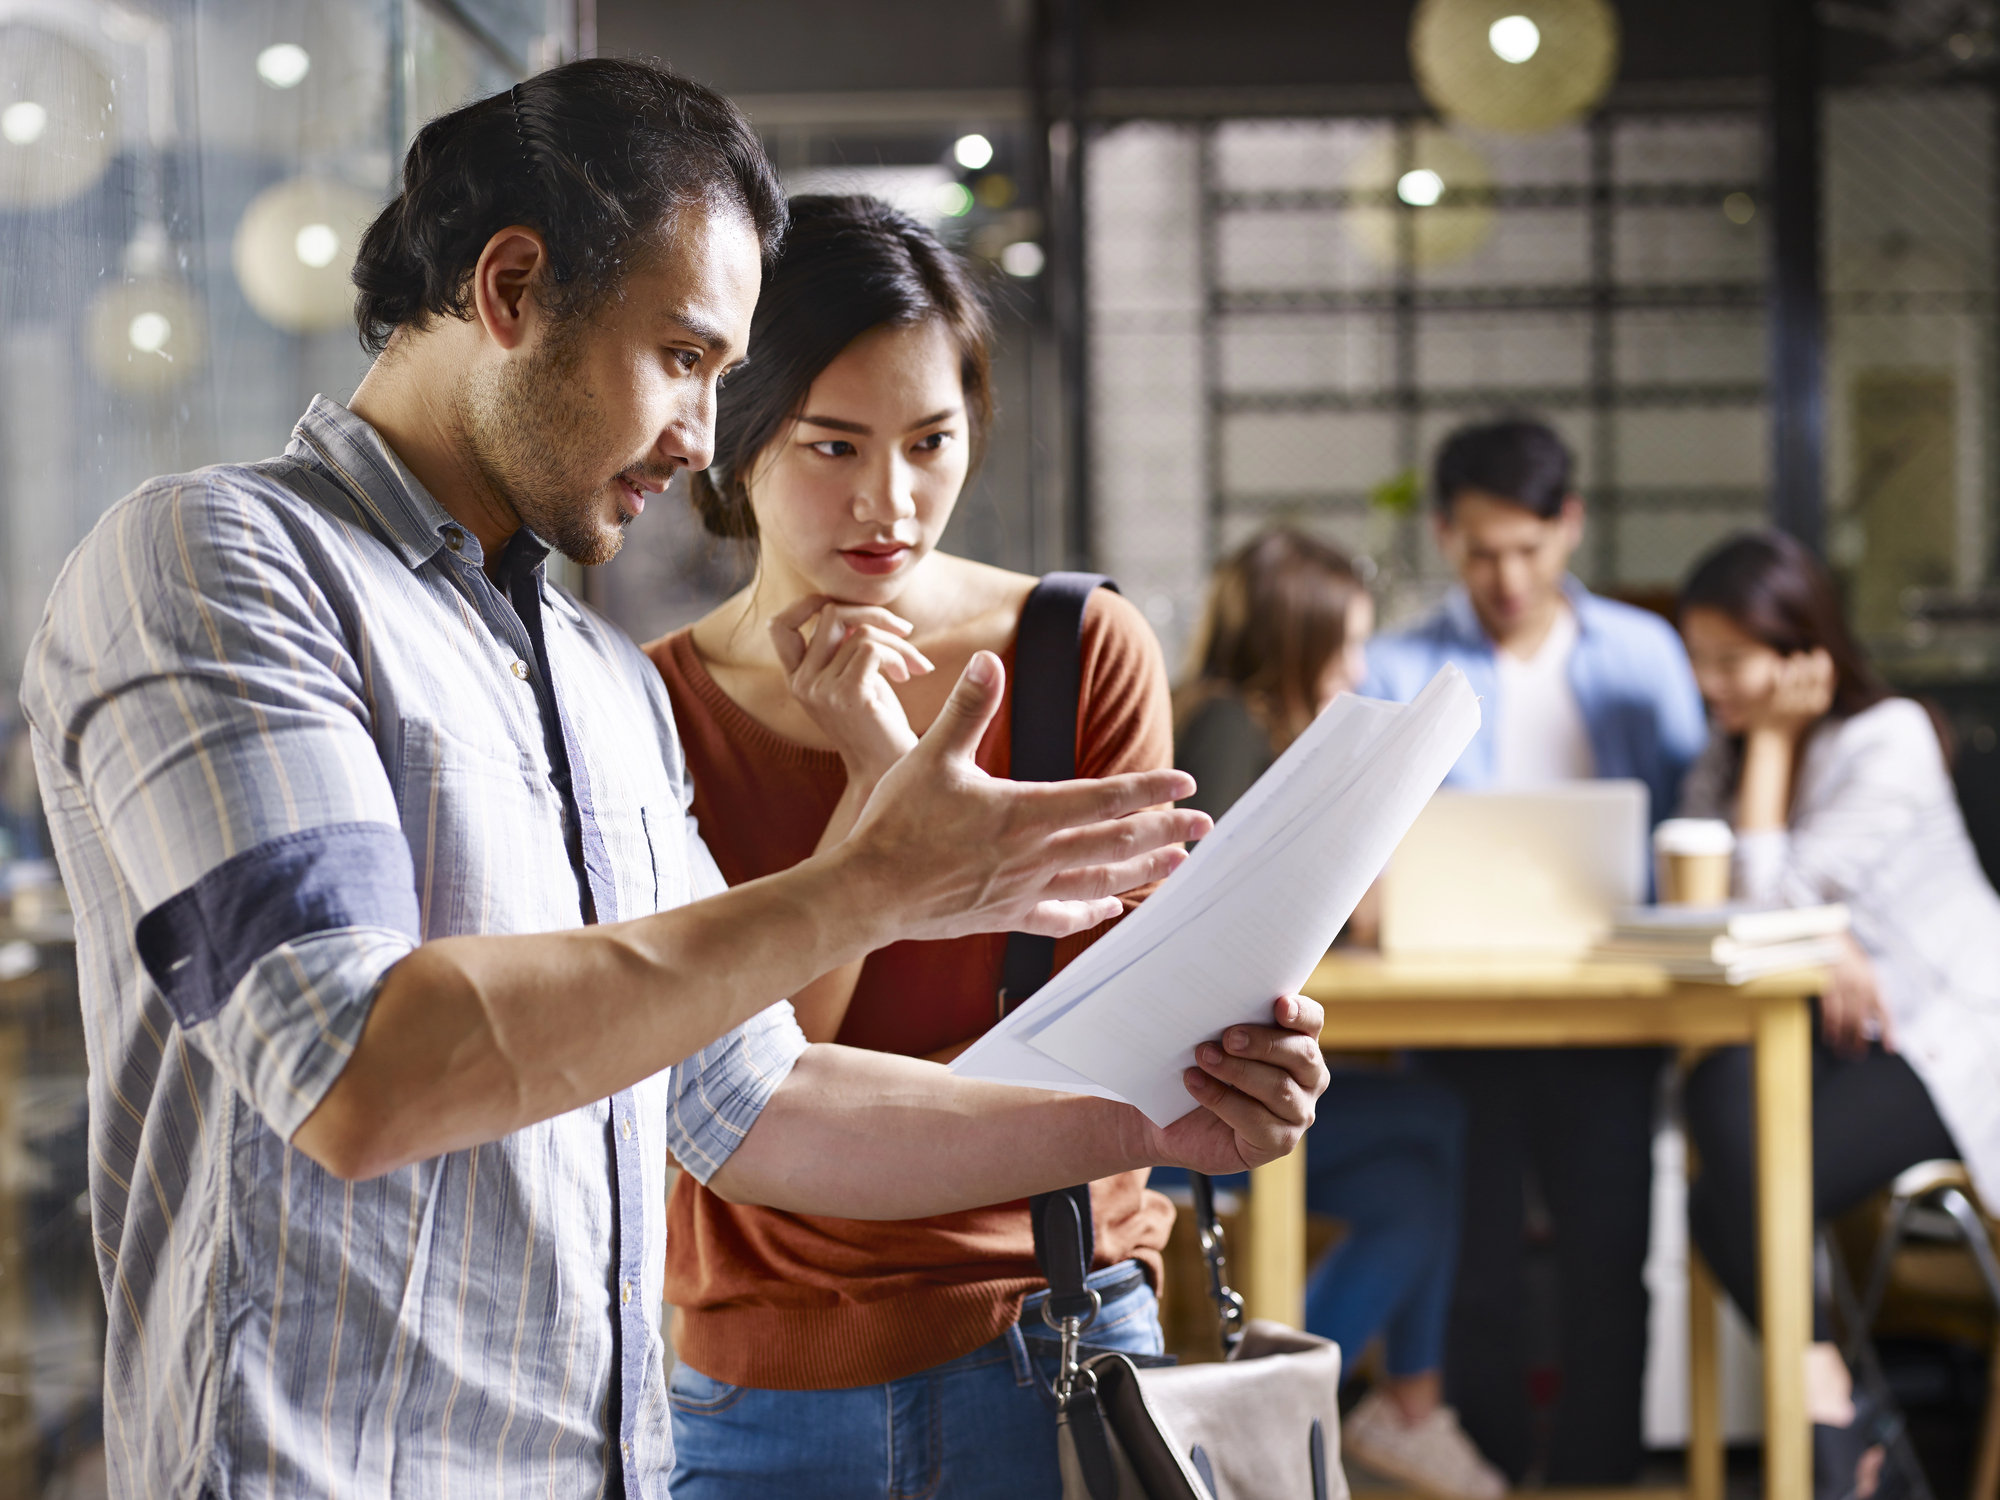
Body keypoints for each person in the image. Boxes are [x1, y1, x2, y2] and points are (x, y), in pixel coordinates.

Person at [19, 62, 1330, 1500]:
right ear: (511, 288)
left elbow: (752, 1104)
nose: (708, 440)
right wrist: (871, 886)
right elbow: (355, 1067)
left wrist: (1147, 1125)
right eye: (687, 361)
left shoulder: (597, 679)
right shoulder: (217, 564)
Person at [643, 193, 1180, 1497]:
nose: (890, 501)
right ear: (733, 441)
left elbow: (1113, 1041)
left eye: (932, 441)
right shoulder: (648, 703)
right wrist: (875, 774)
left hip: (1051, 1319)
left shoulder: (1070, 657)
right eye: (833, 447)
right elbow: (734, 1087)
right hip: (759, 1370)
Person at [1361, 417, 1709, 1483]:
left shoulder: (1641, 658)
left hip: (1609, 1004)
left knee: (1610, 1257)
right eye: (1477, 552)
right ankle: (1494, 1472)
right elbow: (1373, 841)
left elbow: (1690, 819)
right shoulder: (1399, 663)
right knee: (1475, 1269)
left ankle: (1603, 1474)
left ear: (1569, 529)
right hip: (1454, 1007)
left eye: (1525, 548)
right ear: (1443, 537)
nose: (1504, 577)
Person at [1174, 528, 1505, 1500]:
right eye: (1345, 644)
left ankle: (1363, 1414)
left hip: (1213, 1063)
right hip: (1186, 1085)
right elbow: (1229, 925)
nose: (1357, 667)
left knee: (1407, 1189)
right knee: (1435, 1120)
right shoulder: (1229, 726)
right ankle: (1293, 1425)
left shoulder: (1237, 722)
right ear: (1296, 638)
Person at [1675, 529, 2000, 1500]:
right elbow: (1712, 928)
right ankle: (1828, 1399)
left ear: (1800, 649)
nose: (1712, 689)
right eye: (1698, 664)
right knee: (1719, 1103)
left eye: (1731, 663)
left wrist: (1772, 750)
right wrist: (1824, 939)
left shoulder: (1885, 736)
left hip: (1951, 1038)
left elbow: (1761, 911)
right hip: (1846, 1044)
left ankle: (1830, 1423)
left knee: (1736, 1186)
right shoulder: (1718, 762)